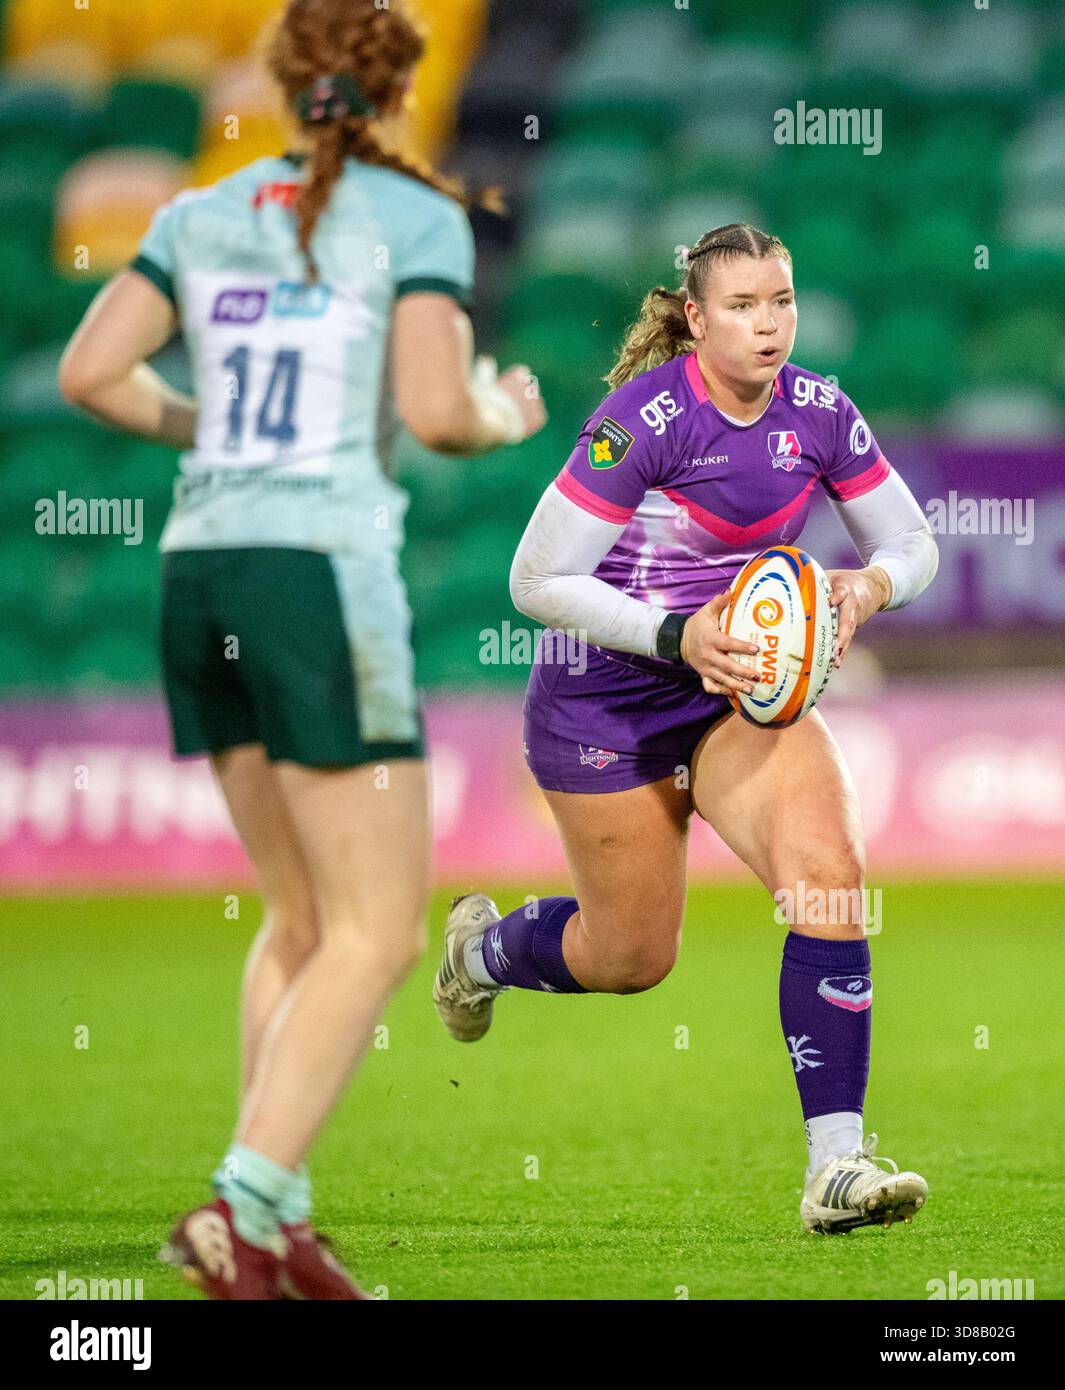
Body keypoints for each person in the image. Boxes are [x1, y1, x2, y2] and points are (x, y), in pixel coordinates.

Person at [59, 0, 545, 1298]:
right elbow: (438, 413)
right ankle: (243, 1199)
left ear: (283, 89)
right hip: (316, 574)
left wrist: (218, 435)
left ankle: (274, 1217)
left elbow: (90, 375)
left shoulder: (199, 210)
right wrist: (503, 410)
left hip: (198, 568)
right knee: (381, 929)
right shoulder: (417, 214)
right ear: (398, 90)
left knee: (298, 914)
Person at [433, 223, 937, 1235]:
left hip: (736, 695)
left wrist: (871, 585)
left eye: (782, 301)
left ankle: (835, 1166)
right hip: (603, 706)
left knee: (829, 874)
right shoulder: (643, 422)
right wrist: (676, 632)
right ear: (698, 319)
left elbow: (913, 539)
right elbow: (533, 581)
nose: (769, 324)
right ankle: (479, 954)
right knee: (630, 956)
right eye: (744, 306)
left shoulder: (821, 412)